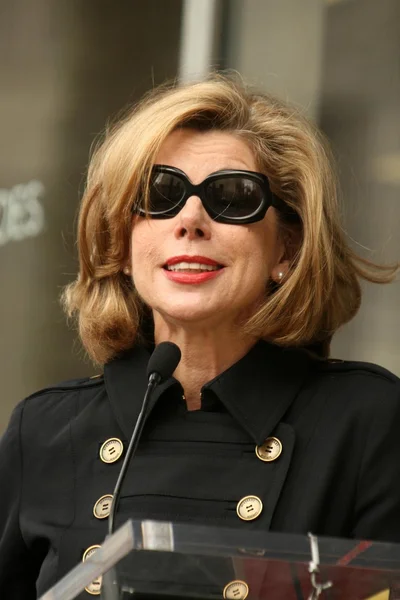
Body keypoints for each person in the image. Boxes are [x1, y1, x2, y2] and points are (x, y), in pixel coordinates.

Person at [0, 74, 399, 599]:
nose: (190, 219)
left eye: (234, 197)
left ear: (286, 250)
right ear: (121, 241)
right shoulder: (45, 429)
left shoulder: (366, 419)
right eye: (158, 194)